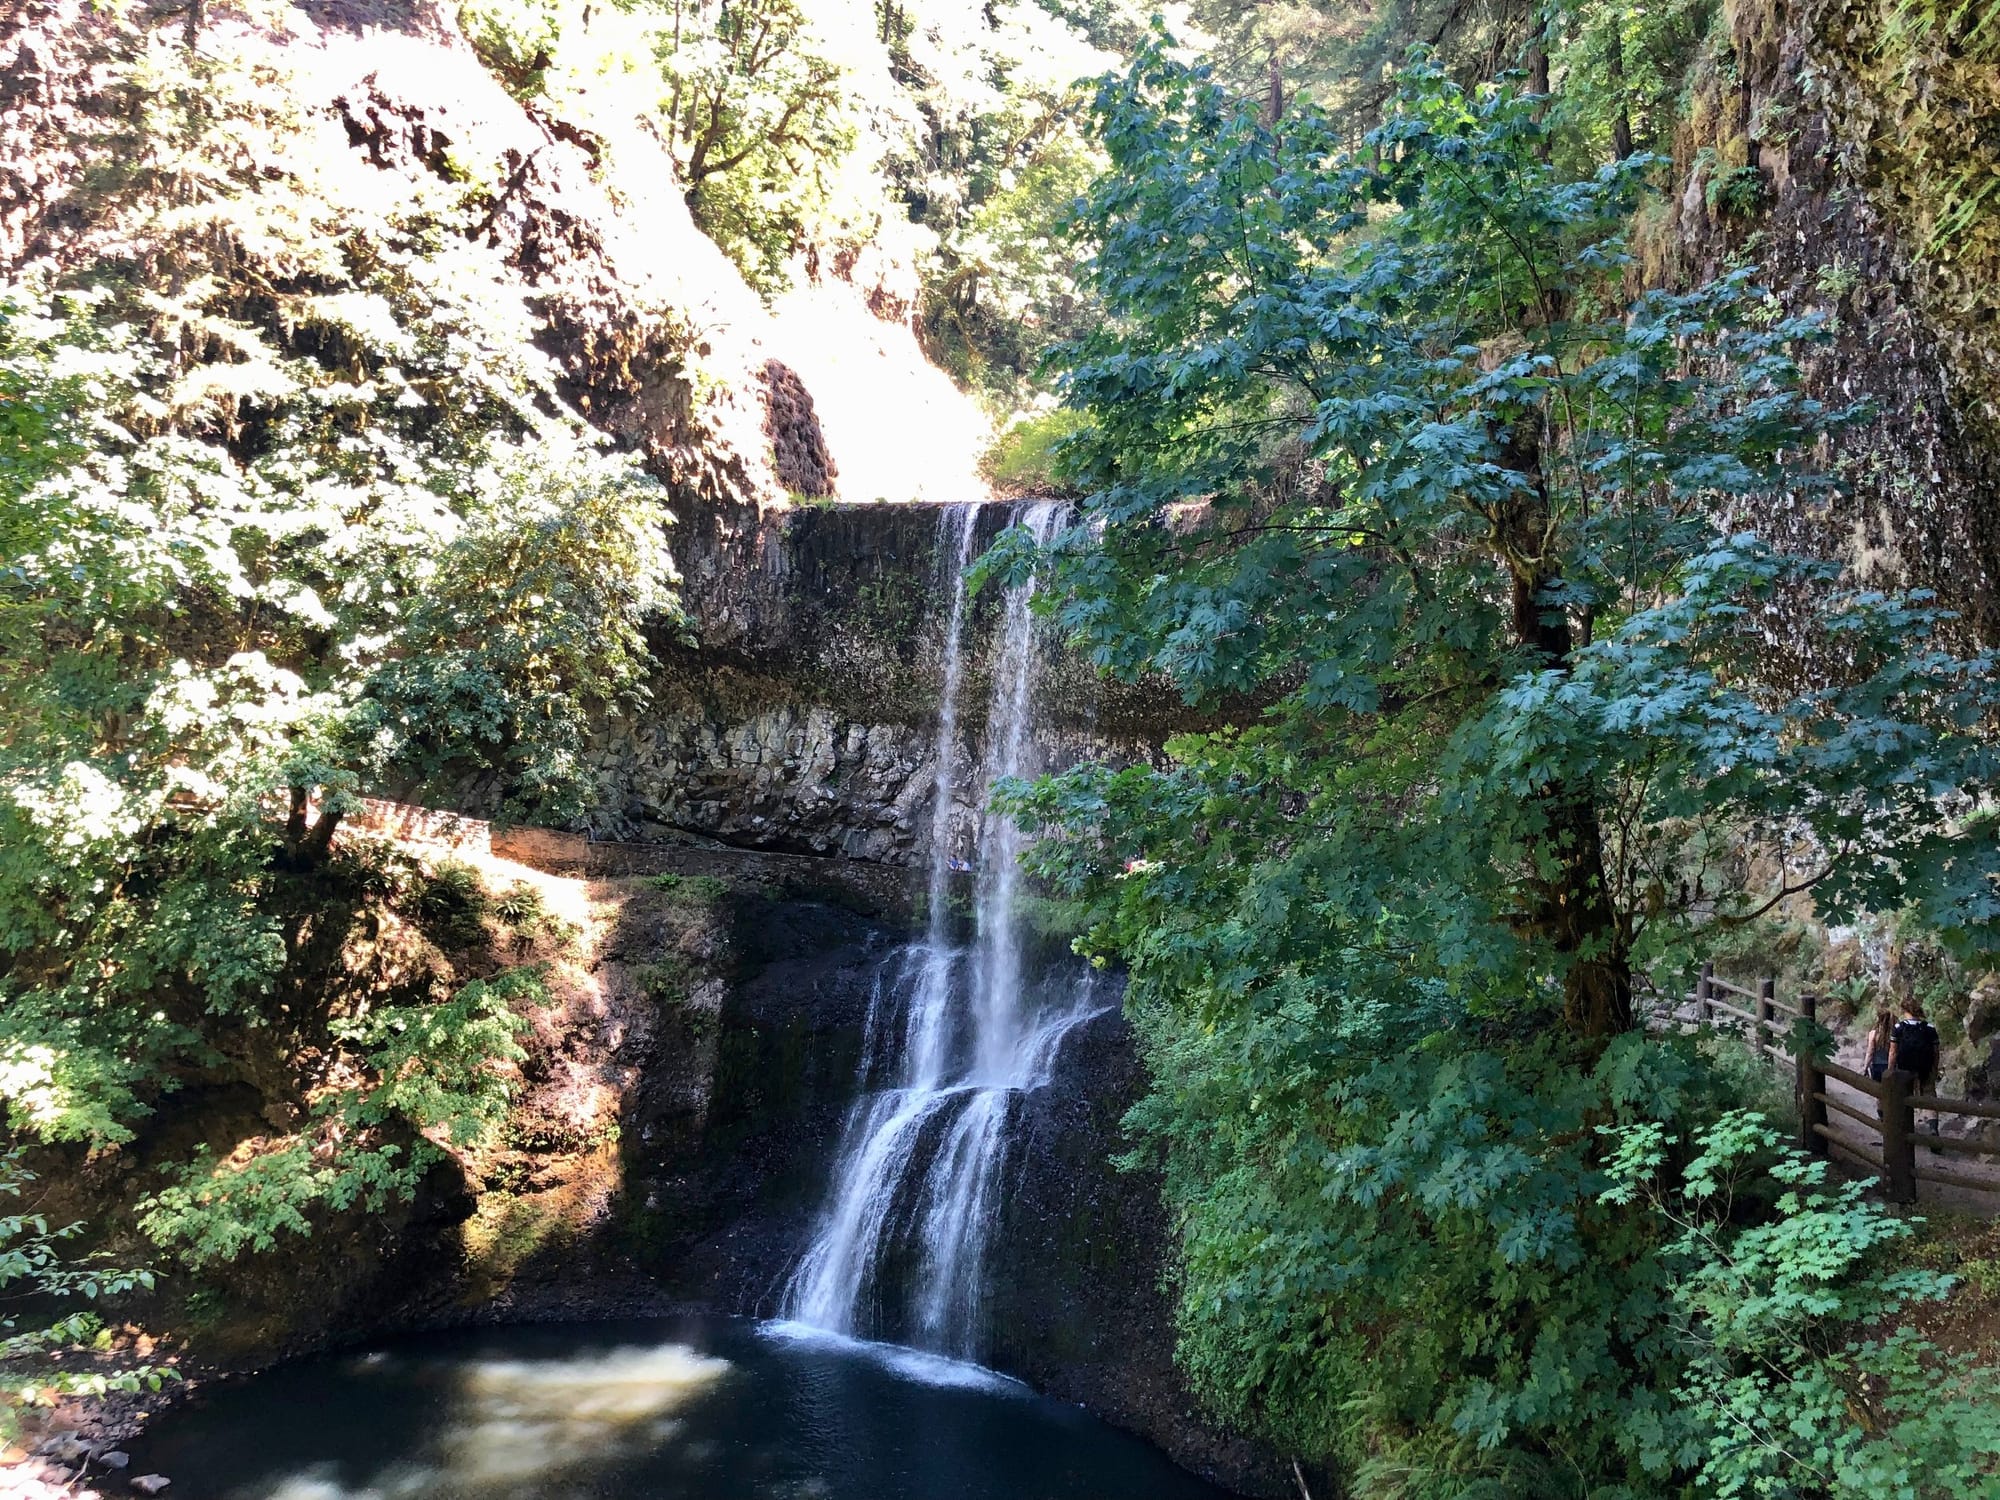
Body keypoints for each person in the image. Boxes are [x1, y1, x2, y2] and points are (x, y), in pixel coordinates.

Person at [1887, 998, 1943, 1142]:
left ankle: (1905, 1130)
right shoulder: (1930, 1028)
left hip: (1904, 1069)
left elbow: (1893, 1052)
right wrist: (1934, 1070)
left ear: (1904, 1010)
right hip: (1925, 1067)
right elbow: (1936, 1052)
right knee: (1929, 1096)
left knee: (1904, 1096)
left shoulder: (1899, 1027)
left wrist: (1890, 1070)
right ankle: (1933, 1129)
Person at [1865, 1006, 1895, 1083]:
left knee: (1877, 1090)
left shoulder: (1874, 1034)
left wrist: (1865, 1067)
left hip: (1876, 1066)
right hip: (1891, 1066)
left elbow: (1870, 1052)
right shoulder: (1894, 1034)